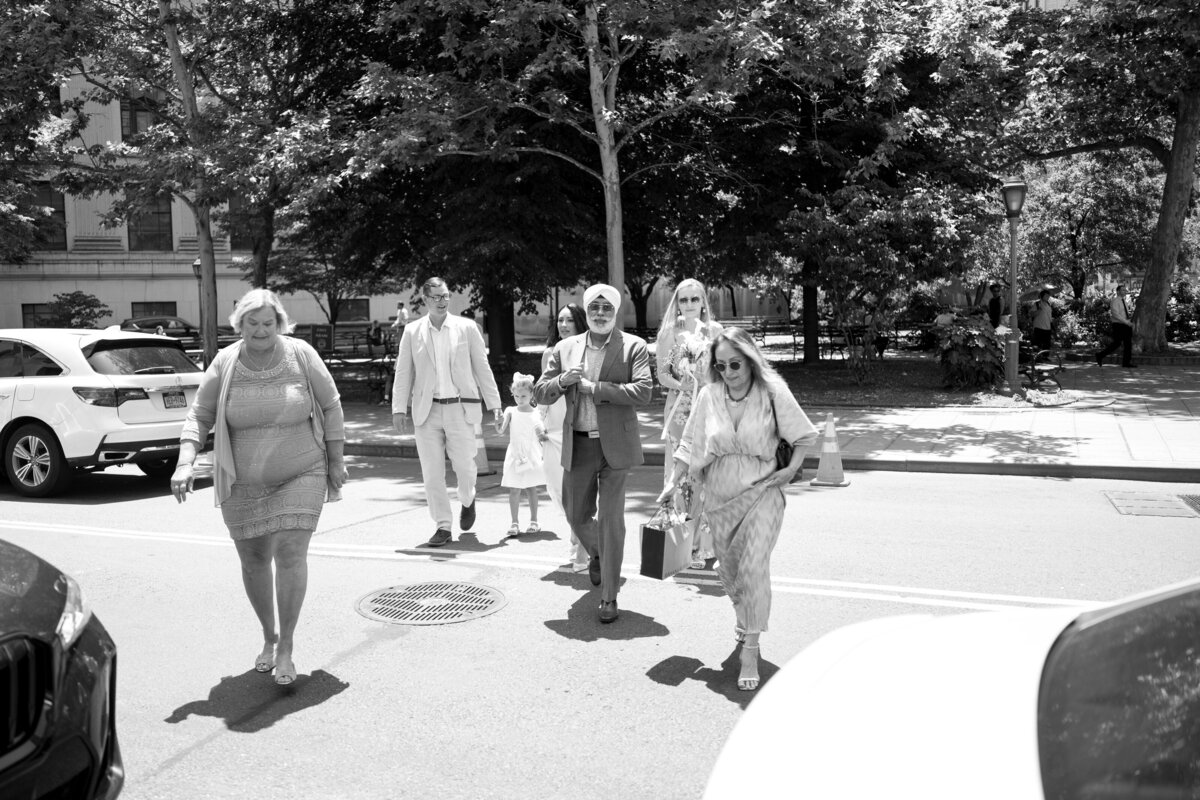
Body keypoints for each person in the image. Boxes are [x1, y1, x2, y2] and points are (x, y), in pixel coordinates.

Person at [170, 288, 347, 686]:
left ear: (279, 324)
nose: (261, 330)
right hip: (243, 481)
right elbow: (199, 414)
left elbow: (332, 404)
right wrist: (185, 462)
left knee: (288, 552)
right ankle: (269, 636)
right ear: (240, 325)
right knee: (253, 562)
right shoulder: (226, 362)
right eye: (252, 323)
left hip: (301, 472)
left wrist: (335, 460)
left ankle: (286, 648)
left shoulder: (300, 354)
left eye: (268, 323)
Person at [657, 327, 819, 691]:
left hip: (763, 493)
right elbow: (689, 444)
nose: (729, 372)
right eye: (721, 366)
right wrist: (672, 484)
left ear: (749, 360)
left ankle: (751, 647)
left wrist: (790, 470)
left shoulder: (772, 392)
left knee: (754, 566)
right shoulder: (710, 395)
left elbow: (804, 436)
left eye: (735, 364)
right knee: (730, 571)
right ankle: (745, 619)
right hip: (719, 497)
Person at [534, 283, 653, 624]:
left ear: (615, 312)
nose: (601, 314)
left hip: (616, 446)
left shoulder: (633, 347)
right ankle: (598, 552)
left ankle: (609, 597)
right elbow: (541, 392)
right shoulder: (565, 347)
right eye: (595, 308)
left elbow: (643, 391)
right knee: (575, 513)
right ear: (587, 313)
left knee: (612, 521)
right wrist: (563, 382)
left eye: (607, 308)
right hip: (580, 442)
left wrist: (595, 389)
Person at [392, 277, 502, 547]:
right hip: (426, 412)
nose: (442, 301)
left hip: (460, 409)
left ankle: (468, 498)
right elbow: (404, 371)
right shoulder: (412, 331)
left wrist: (495, 404)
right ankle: (442, 526)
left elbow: (482, 367)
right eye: (437, 297)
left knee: (465, 468)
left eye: (446, 296)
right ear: (425, 300)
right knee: (431, 474)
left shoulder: (466, 328)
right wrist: (398, 408)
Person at [655, 278, 723, 568]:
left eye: (695, 299)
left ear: (703, 301)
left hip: (710, 408)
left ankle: (707, 545)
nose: (690, 304)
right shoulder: (671, 333)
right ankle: (686, 544)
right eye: (684, 300)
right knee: (683, 478)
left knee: (710, 476)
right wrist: (684, 385)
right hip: (681, 410)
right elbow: (662, 373)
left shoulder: (716, 331)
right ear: (677, 303)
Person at [539, 303, 589, 570]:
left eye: (569, 320)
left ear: (580, 323)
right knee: (557, 490)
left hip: (577, 428)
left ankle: (580, 545)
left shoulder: (588, 352)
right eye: (560, 320)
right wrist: (538, 422)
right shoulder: (549, 353)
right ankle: (579, 536)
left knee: (577, 492)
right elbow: (543, 391)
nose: (563, 325)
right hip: (553, 430)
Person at [498, 372, 545, 538]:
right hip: (515, 454)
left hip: (530, 454)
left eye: (523, 396)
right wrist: (498, 421)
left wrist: (544, 438)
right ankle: (514, 522)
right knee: (514, 489)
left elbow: (541, 433)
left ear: (532, 394)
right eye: (516, 395)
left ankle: (534, 521)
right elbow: (501, 430)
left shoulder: (536, 412)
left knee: (531, 487)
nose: (519, 399)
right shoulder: (510, 410)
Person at [1096, 284, 1136, 368]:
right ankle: (1100, 355)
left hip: (1125, 325)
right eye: (1122, 290)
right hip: (1118, 325)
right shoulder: (1115, 301)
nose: (1124, 292)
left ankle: (1126, 363)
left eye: (1125, 290)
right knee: (1116, 344)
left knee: (1128, 344)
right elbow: (1116, 314)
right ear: (1118, 291)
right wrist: (1126, 322)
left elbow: (1125, 313)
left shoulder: (1124, 301)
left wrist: (1128, 322)